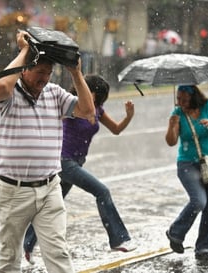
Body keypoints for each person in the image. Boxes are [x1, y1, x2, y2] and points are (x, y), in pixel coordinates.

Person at [0, 30, 95, 273]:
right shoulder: (7, 95)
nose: (45, 79)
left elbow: (88, 110)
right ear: (24, 70)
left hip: (49, 188)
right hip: (14, 191)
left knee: (58, 251)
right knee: (8, 256)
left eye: (48, 73)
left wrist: (76, 73)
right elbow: (3, 85)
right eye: (39, 73)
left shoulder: (55, 94)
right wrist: (25, 50)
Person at [23, 74, 137, 265]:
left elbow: (116, 129)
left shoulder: (98, 110)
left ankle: (26, 245)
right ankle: (118, 239)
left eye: (95, 95)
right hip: (64, 161)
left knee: (48, 207)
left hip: (76, 162)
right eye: (90, 92)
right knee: (102, 191)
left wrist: (129, 117)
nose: (92, 97)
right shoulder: (72, 106)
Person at [165, 85, 208, 262]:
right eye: (178, 98)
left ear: (194, 97)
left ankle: (203, 248)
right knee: (199, 201)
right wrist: (172, 126)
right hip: (187, 164)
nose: (180, 102)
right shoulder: (177, 113)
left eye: (184, 99)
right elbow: (171, 142)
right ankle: (175, 232)